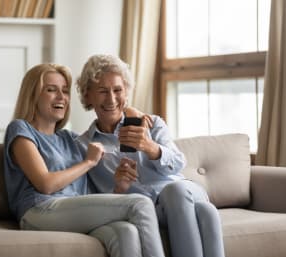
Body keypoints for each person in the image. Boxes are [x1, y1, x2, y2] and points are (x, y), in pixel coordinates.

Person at [3, 63, 166, 257]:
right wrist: (88, 162)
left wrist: (120, 188)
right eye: (51, 90)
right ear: (33, 95)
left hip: (73, 213)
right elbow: (45, 184)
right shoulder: (20, 129)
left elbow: (88, 195)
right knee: (140, 204)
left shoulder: (70, 139)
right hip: (38, 210)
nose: (61, 97)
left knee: (126, 232)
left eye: (65, 91)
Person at [75, 54, 226, 257]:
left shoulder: (151, 123)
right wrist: (119, 188)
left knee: (175, 191)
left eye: (118, 90)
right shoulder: (84, 147)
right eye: (102, 91)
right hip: (149, 211)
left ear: (126, 92)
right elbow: (93, 202)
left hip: (184, 193)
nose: (111, 99)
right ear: (87, 95)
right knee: (207, 213)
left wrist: (150, 147)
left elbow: (179, 163)